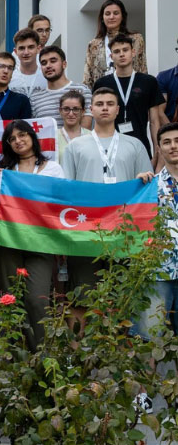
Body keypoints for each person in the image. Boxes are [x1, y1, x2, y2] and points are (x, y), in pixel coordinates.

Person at [61, 88, 153, 296]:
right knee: (82, 294)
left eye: (110, 104)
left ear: (118, 109)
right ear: (91, 109)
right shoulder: (75, 146)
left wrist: (142, 180)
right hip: (85, 229)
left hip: (125, 231)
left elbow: (147, 187)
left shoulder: (135, 145)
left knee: (123, 294)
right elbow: (67, 188)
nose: (104, 108)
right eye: (99, 104)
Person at [0, 120, 64, 350]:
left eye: (22, 135)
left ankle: (41, 354)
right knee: (11, 299)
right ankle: (17, 356)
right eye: (12, 139)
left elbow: (59, 202)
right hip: (10, 242)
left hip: (40, 242)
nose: (18, 141)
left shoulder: (53, 168)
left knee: (37, 299)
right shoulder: (6, 173)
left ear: (32, 137)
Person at [93, 34, 166, 162]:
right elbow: (97, 119)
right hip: (109, 148)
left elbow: (154, 121)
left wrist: (157, 153)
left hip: (141, 146)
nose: (121, 54)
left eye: (125, 50)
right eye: (116, 51)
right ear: (111, 56)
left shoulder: (149, 81)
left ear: (133, 52)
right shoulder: (101, 83)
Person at [135, 122, 178, 339]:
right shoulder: (149, 185)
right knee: (148, 337)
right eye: (167, 142)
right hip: (159, 270)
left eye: (177, 141)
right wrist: (137, 187)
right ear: (159, 149)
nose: (173, 146)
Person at [83, 0, 147, 89]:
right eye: (107, 14)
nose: (111, 17)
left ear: (122, 16)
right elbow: (88, 78)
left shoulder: (136, 39)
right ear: (102, 18)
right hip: (103, 93)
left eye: (116, 13)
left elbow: (142, 68)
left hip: (132, 90)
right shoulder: (94, 45)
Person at [30, 45, 93, 128]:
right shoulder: (35, 97)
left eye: (53, 61)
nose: (48, 66)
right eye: (44, 63)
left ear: (64, 64)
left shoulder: (82, 90)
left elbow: (86, 131)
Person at [0, 52, 34, 120]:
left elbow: (25, 129)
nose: (6, 71)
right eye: (1, 66)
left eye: (10, 68)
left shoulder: (21, 101)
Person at [9, 28, 47, 96]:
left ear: (38, 49)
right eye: (21, 48)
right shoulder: (9, 77)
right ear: (15, 51)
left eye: (31, 47)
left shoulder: (47, 75)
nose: (26, 52)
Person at [56, 89, 92, 159]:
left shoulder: (92, 136)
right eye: (66, 109)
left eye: (76, 109)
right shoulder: (53, 137)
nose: (71, 114)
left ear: (83, 111)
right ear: (60, 111)